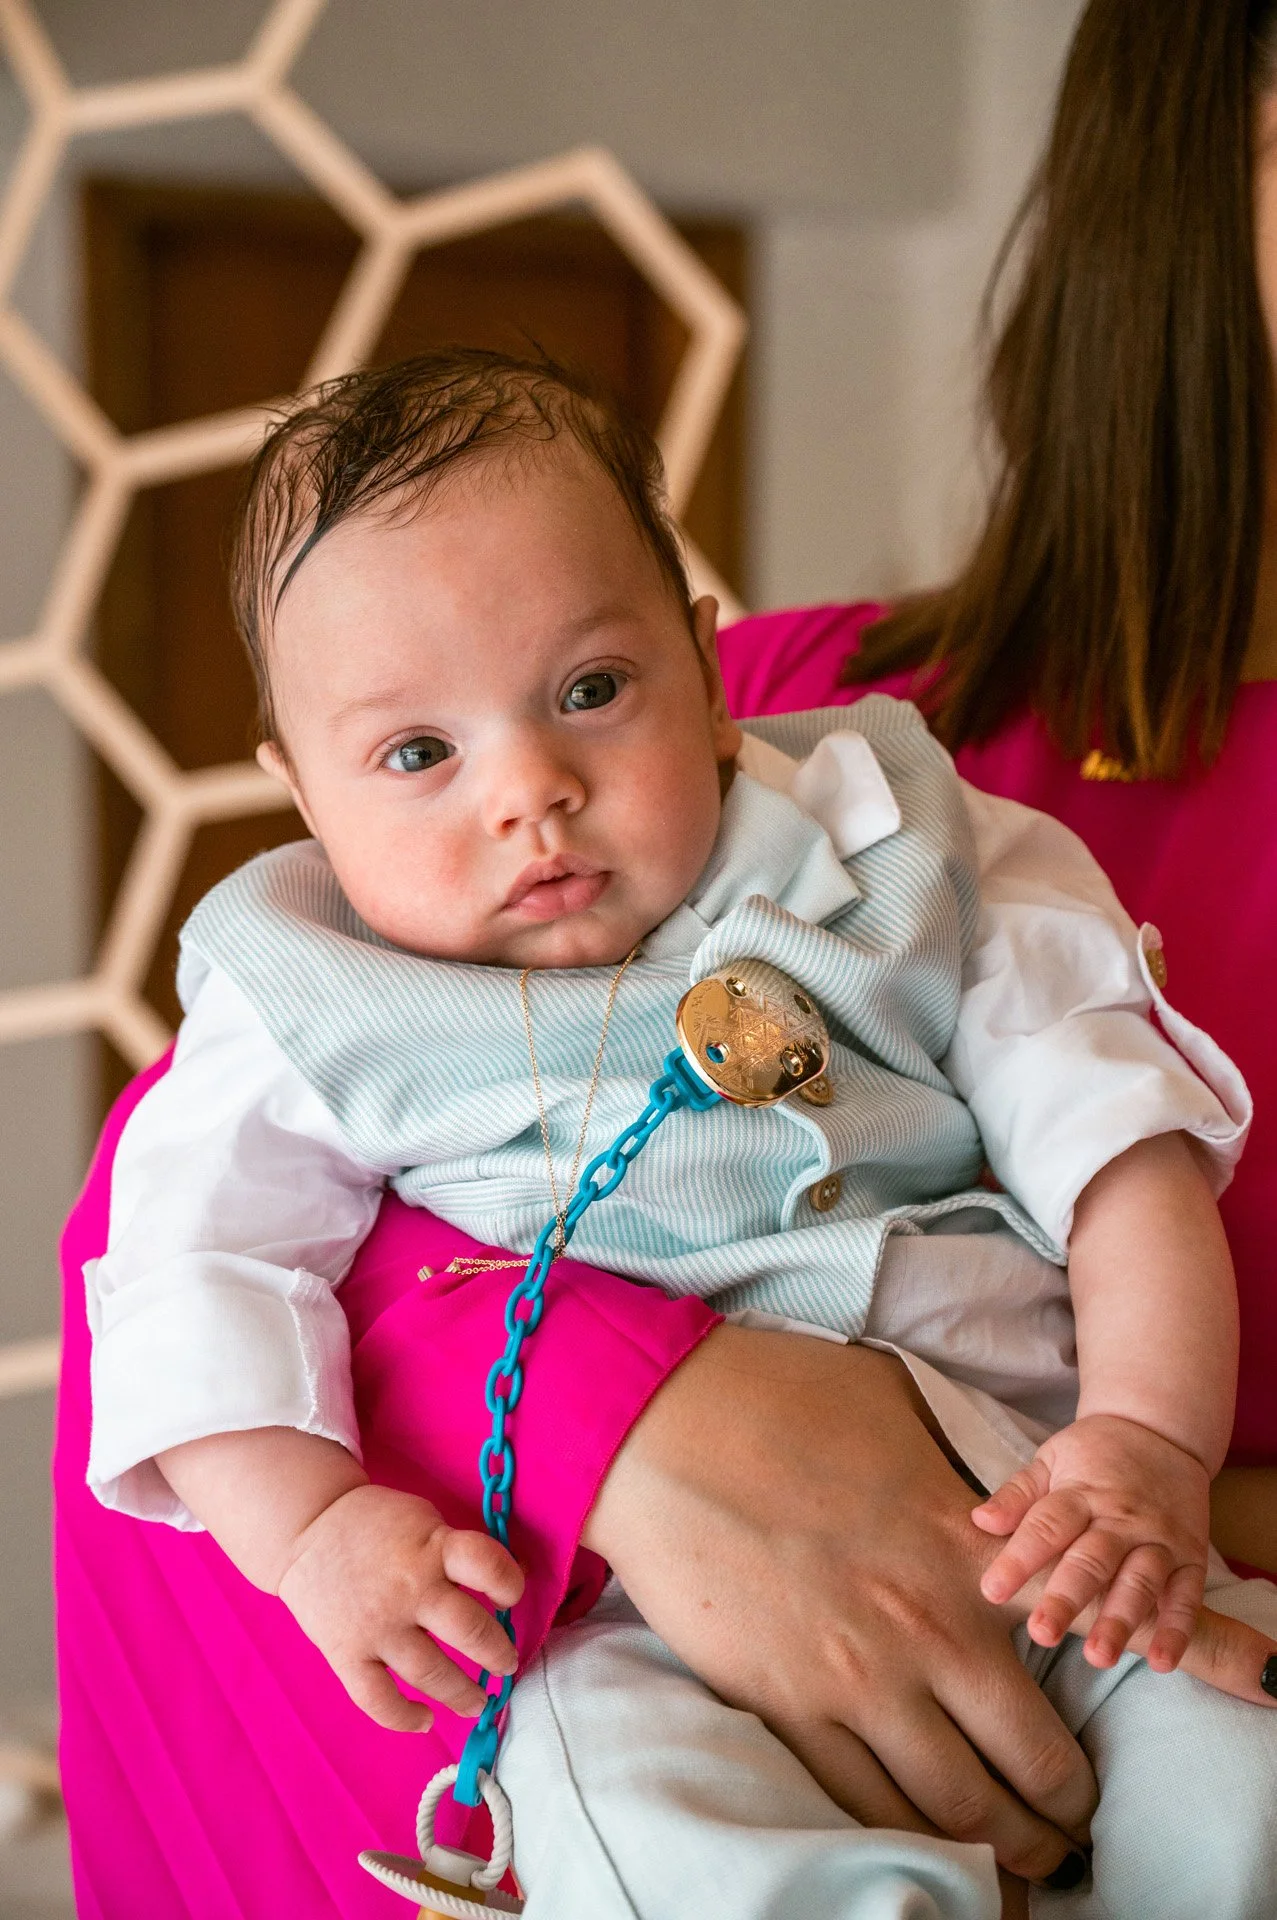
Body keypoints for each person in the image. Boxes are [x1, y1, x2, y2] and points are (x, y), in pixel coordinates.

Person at [81, 345, 1277, 1920]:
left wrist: (1141, 1447)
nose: (531, 790)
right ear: (302, 795)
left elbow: (1121, 1143)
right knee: (649, 1828)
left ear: (710, 680)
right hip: (619, 1616)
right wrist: (315, 1534)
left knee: (1236, 1750)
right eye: (417, 755)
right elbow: (192, 1272)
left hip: (1039, 1501)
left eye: (590, 691)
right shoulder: (303, 996)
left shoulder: (893, 834)